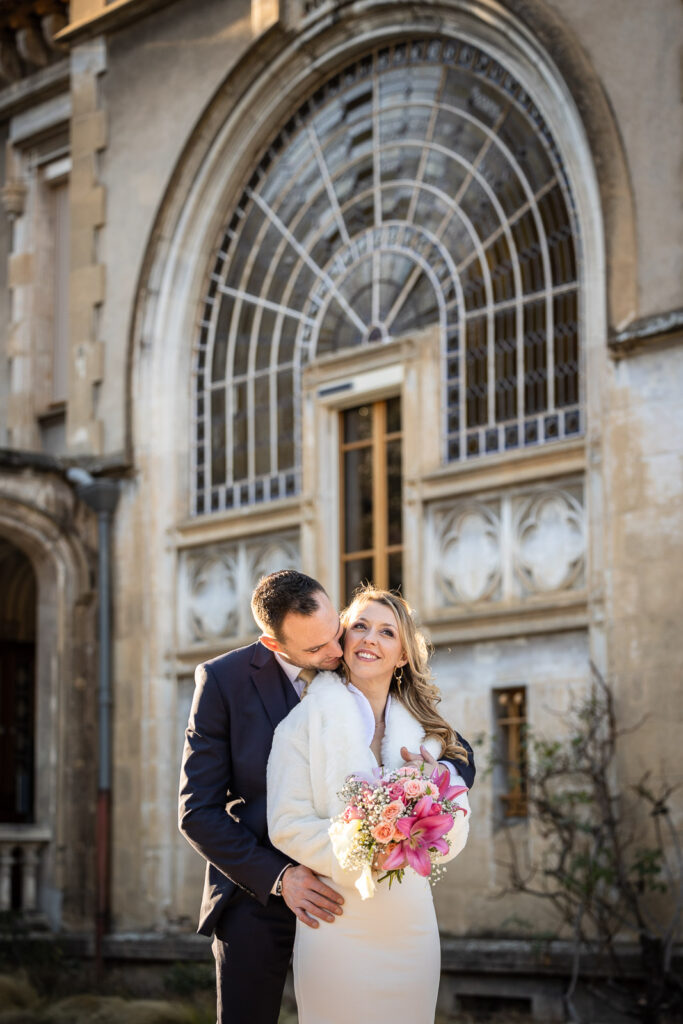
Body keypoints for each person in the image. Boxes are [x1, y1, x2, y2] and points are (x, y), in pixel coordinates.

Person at [179, 570, 475, 1024]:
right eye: (319, 649)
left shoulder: (401, 707)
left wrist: (428, 797)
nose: (337, 652)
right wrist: (283, 875)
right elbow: (197, 812)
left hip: (393, 915)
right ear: (275, 645)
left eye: (337, 632)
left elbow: (458, 757)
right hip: (258, 888)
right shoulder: (225, 682)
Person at [267, 584, 472, 1024]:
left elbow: (456, 824)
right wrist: (362, 849)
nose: (369, 639)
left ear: (402, 655)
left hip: (410, 926)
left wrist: (425, 819)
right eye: (359, 626)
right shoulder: (301, 723)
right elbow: (288, 823)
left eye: (386, 632)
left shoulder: (428, 736)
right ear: (342, 639)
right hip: (338, 919)